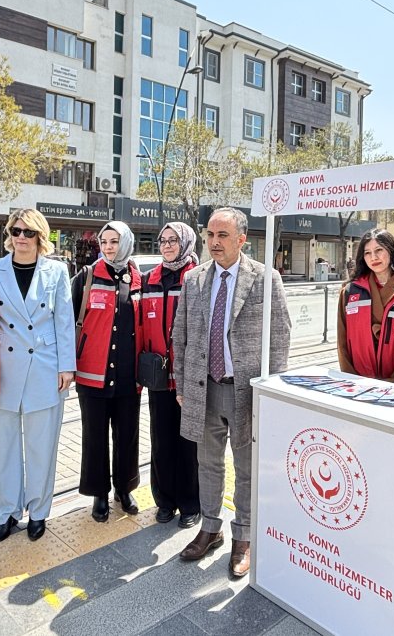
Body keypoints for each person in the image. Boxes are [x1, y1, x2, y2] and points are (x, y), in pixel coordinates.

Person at [172, 207, 291, 579]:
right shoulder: (194, 279)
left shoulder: (264, 278)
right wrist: (180, 383)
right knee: (207, 463)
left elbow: (280, 336)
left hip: (246, 390)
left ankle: (244, 536)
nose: (214, 242)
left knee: (246, 468)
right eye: (210, 235)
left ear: (242, 239)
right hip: (202, 387)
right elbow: (181, 334)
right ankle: (210, 528)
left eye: (222, 236)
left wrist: (273, 391)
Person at [0, 208, 76, 543]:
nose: (21, 237)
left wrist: (67, 365)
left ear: (41, 236)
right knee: (2, 446)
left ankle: (38, 511)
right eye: (16, 231)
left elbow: (64, 319)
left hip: (45, 366)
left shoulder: (56, 271)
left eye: (28, 232)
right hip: (3, 370)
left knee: (41, 445)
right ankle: (5, 512)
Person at [72, 220, 142, 522]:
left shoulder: (138, 279)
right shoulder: (87, 277)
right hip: (92, 374)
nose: (109, 246)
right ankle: (98, 493)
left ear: (126, 242)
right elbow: (68, 322)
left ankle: (124, 489)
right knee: (95, 436)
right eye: (105, 241)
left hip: (129, 375)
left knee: (127, 435)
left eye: (115, 241)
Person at [139, 221, 201, 528]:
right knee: (161, 439)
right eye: (163, 240)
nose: (166, 245)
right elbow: (140, 324)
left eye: (173, 240)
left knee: (188, 441)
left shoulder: (199, 277)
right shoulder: (149, 279)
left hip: (189, 374)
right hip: (159, 376)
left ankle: (191, 503)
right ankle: (164, 500)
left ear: (186, 242)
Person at [337, 229, 394, 383]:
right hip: (358, 383)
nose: (373, 257)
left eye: (379, 250)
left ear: (391, 251)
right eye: (367, 253)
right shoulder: (350, 291)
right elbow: (342, 342)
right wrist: (350, 379)